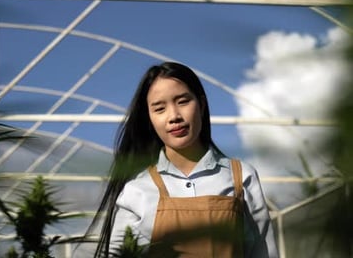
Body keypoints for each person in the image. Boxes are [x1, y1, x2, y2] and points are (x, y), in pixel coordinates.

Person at [87, 62, 278, 257]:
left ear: (201, 105)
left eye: (183, 101)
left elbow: (264, 252)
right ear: (149, 119)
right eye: (159, 109)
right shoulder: (137, 191)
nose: (174, 116)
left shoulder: (241, 176)